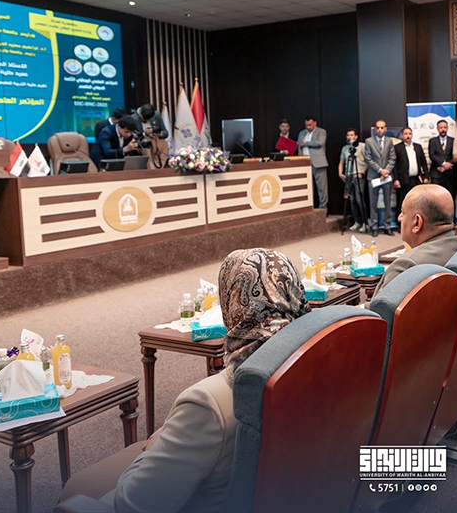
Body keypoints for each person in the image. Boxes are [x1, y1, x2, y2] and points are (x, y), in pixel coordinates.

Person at [57, 248, 309, 513]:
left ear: (233, 303)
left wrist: (152, 448)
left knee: (76, 489)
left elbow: (134, 504)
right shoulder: (310, 356)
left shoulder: (210, 403)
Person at [374, 184, 457, 294]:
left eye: (403, 212)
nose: (399, 218)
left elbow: (380, 305)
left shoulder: (406, 265)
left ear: (417, 222)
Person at [364, 119, 396, 237]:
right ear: (375, 129)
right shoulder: (369, 141)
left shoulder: (389, 141)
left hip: (386, 176)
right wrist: (380, 170)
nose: (380, 130)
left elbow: (392, 157)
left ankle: (387, 226)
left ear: (385, 129)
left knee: (388, 202)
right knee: (373, 203)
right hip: (373, 176)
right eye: (377, 128)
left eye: (382, 127)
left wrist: (386, 171)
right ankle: (374, 227)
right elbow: (368, 158)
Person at [428, 119, 457, 217]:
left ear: (447, 128)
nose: (443, 129)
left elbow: (455, 155)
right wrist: (442, 164)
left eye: (445, 127)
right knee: (436, 198)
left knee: (450, 197)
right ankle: (437, 219)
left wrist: (447, 166)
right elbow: (432, 155)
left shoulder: (454, 141)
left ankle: (451, 219)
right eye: (441, 127)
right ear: (437, 128)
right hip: (437, 174)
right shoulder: (432, 141)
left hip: (450, 174)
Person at [393, 126, 428, 209]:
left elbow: (424, 163)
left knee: (417, 202)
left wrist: (426, 177)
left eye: (409, 134)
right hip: (403, 180)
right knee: (402, 202)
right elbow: (394, 165)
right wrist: (395, 179)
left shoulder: (418, 147)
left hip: (416, 180)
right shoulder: (397, 147)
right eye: (406, 134)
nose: (408, 136)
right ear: (402, 135)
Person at [339, 128, 367, 232]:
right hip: (348, 176)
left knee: (359, 199)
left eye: (351, 135)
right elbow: (341, 162)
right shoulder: (345, 148)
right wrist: (340, 173)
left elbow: (368, 160)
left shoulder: (362, 146)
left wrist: (362, 172)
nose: (349, 137)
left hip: (358, 175)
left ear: (356, 136)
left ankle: (365, 223)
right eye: (348, 135)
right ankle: (356, 222)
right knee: (352, 200)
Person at [297, 116, 328, 210]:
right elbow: (298, 146)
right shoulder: (302, 133)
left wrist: (306, 143)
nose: (308, 127)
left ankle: (323, 208)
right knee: (307, 187)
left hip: (318, 163)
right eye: (306, 125)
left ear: (315, 123)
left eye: (310, 125)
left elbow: (320, 143)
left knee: (322, 188)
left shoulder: (321, 132)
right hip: (305, 163)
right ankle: (309, 207)